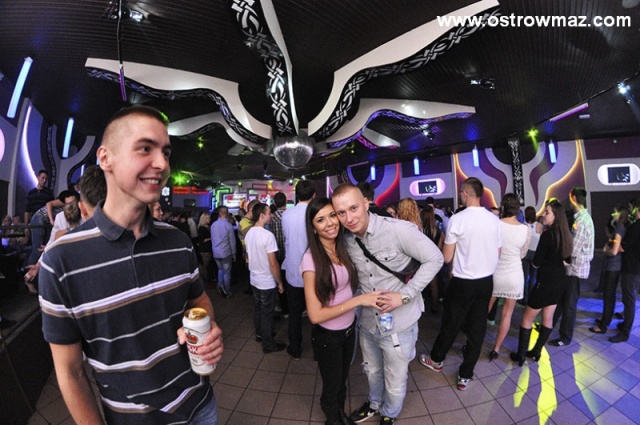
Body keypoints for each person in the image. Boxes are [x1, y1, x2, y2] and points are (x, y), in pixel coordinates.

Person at [39, 106, 223, 424]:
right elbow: (70, 372)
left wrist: (207, 330)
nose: (162, 164)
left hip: (200, 407)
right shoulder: (60, 261)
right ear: (105, 158)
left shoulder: (178, 241)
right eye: (145, 148)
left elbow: (200, 301)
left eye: (166, 152)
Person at [331, 183, 443, 424]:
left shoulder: (397, 230)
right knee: (371, 370)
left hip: (399, 323)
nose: (349, 218)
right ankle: (374, 404)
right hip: (368, 321)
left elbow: (435, 258)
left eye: (353, 208)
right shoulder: (347, 240)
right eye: (341, 213)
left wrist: (404, 295)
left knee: (395, 376)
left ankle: (389, 413)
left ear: (366, 203)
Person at [301, 197, 387, 425]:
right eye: (321, 219)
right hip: (328, 337)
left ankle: (338, 413)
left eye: (332, 215)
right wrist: (358, 301)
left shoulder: (342, 247)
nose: (330, 223)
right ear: (313, 227)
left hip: (348, 330)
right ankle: (333, 418)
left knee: (341, 379)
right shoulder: (311, 260)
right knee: (332, 385)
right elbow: (315, 315)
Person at [420, 177, 501, 392]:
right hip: (486, 281)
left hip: (463, 281)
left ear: (465, 194)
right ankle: (465, 375)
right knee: (477, 328)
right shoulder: (494, 219)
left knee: (451, 323)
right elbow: (498, 252)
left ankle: (437, 359)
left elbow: (447, 257)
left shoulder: (458, 219)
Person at [510, 200, 572, 365]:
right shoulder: (565, 234)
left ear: (555, 216)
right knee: (548, 318)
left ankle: (521, 355)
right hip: (560, 281)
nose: (543, 214)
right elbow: (568, 260)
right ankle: (536, 351)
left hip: (545, 282)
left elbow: (536, 262)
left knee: (527, 318)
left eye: (547, 212)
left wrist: (543, 262)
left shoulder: (548, 235)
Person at [487, 194, 530, 361]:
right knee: (507, 314)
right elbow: (522, 254)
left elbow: (489, 249)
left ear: (503, 206)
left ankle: (473, 341)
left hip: (495, 273)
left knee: (484, 310)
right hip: (514, 275)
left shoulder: (495, 225)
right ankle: (496, 349)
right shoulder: (525, 229)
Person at [549, 187, 594, 347]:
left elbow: (572, 249)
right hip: (573, 268)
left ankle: (565, 337)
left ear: (573, 198)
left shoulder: (581, 221)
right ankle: (549, 326)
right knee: (562, 301)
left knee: (568, 304)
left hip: (575, 269)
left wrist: (558, 257)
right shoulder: (582, 218)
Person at [245, 202, 286, 353]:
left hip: (254, 278)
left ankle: (260, 334)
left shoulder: (249, 233)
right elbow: (273, 264)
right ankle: (268, 344)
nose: (272, 215)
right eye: (269, 213)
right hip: (266, 281)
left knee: (257, 308)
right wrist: (280, 282)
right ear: (262, 215)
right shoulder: (267, 236)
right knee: (267, 312)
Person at [282, 180, 316, 360]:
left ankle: (295, 348)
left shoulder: (286, 215)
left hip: (293, 270)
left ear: (296, 195)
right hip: (314, 270)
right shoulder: (314, 213)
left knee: (294, 313)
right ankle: (319, 350)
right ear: (313, 195)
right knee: (317, 311)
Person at [590, 207, 630, 334]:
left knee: (608, 295)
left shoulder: (619, 229)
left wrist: (605, 250)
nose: (613, 214)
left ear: (621, 214)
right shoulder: (619, 228)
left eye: (615, 212)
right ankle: (604, 320)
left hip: (613, 266)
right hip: (613, 266)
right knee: (608, 295)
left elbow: (614, 251)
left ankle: (603, 325)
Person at [608, 198, 640, 343]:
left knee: (629, 300)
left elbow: (621, 247)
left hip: (631, 267)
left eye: (631, 207)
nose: (630, 210)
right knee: (629, 299)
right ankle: (625, 325)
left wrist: (613, 242)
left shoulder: (635, 227)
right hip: (636, 267)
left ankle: (625, 332)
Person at [420, 206, 444, 313]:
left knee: (419, 284)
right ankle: (434, 307)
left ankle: (420, 307)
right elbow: (439, 248)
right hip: (433, 260)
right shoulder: (437, 231)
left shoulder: (419, 231)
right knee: (434, 285)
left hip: (421, 259)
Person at [211, 206, 236, 298]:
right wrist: (234, 253)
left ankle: (220, 286)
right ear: (227, 213)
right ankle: (227, 291)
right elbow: (232, 241)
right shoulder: (228, 225)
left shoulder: (213, 225)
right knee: (227, 273)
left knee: (220, 269)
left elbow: (213, 238)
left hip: (216, 252)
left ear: (219, 213)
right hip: (225, 252)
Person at [522, 206, 543, 304]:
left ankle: (524, 298)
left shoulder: (523, 226)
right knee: (533, 276)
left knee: (525, 276)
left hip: (526, 253)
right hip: (535, 253)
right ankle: (531, 297)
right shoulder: (539, 225)